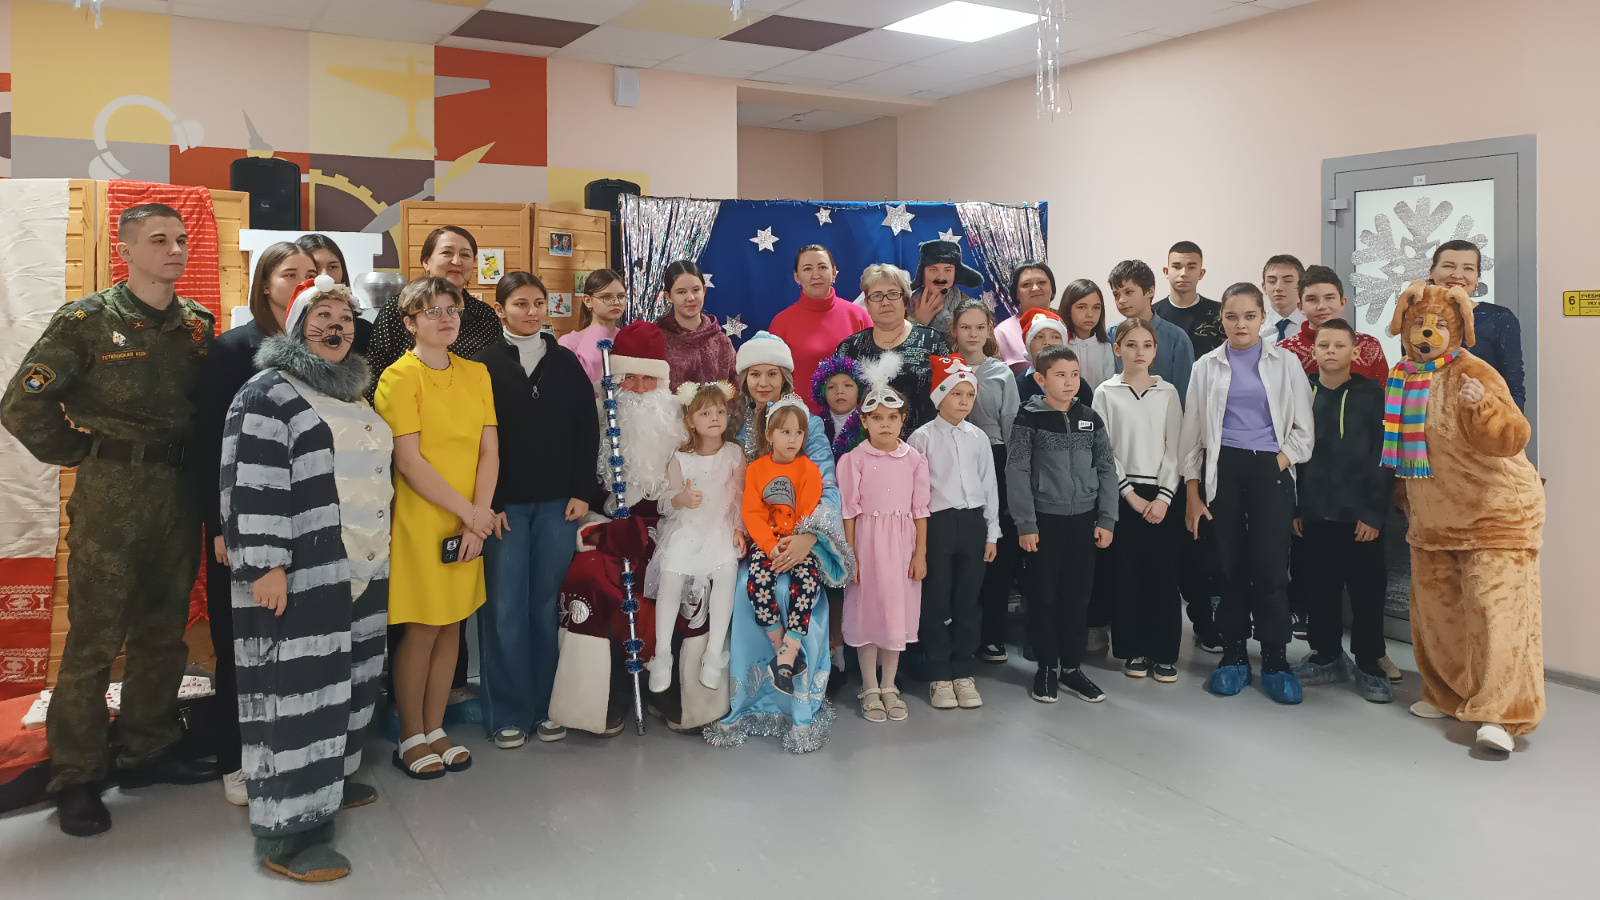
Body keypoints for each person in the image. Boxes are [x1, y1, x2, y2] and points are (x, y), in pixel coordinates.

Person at [1, 203, 218, 836]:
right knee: (94, 640)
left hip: (176, 492)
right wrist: (82, 453)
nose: (175, 250)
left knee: (163, 631)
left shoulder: (197, 326)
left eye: (181, 240)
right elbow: (21, 405)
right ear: (125, 251)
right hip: (109, 498)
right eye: (159, 240)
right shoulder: (87, 322)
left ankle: (149, 749)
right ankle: (77, 773)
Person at [219, 274, 390, 882]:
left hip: (359, 566)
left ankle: (329, 784)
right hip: (300, 571)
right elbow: (251, 481)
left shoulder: (353, 395)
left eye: (344, 318)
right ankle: (288, 832)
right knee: (295, 692)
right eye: (321, 317)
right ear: (295, 327)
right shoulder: (269, 392)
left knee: (348, 681)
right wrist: (266, 565)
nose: (335, 327)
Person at [1382, 281, 1543, 752]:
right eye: (1419, 324)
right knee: (1437, 617)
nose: (1427, 334)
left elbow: (1512, 437)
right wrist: (1403, 498)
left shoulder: (1473, 370)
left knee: (1498, 617)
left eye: (1438, 326)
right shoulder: (1402, 376)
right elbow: (1400, 446)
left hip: (1494, 516)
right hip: (1432, 520)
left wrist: (1482, 407)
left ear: (1456, 329)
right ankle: (1448, 694)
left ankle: (1502, 714)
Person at [547, 321, 726, 736]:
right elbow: (578, 495)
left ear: (663, 384)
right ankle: (603, 695)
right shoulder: (595, 424)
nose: (641, 389)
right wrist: (600, 529)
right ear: (615, 380)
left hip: (672, 532)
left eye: (649, 379)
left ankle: (676, 692)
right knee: (587, 582)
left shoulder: (684, 429)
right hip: (608, 535)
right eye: (630, 378)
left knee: (692, 581)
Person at [192, 240, 314, 807]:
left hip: (303, 520)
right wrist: (220, 526)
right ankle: (234, 758)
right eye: (290, 273)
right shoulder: (233, 349)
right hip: (240, 521)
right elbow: (211, 445)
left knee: (295, 643)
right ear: (266, 283)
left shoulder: (317, 347)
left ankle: (291, 750)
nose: (303, 281)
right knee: (240, 642)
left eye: (312, 272)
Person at [375, 276, 499, 777]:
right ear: (410, 322)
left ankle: (435, 728)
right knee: (423, 627)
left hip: (471, 518)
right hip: (422, 517)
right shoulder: (398, 378)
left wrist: (478, 516)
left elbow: (489, 451)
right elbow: (409, 461)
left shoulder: (477, 373)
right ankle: (410, 734)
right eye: (433, 311)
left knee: (453, 625)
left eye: (452, 309)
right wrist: (470, 514)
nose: (446, 319)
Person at [707, 332, 853, 752]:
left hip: (803, 537)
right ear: (744, 378)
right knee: (743, 586)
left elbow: (825, 489)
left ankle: (798, 700)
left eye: (772, 373)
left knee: (796, 587)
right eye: (755, 374)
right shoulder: (734, 424)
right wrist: (748, 534)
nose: (763, 382)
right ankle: (751, 695)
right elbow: (736, 492)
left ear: (786, 377)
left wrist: (808, 537)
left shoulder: (808, 424)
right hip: (754, 537)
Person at [472, 272, 597, 748]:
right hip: (504, 509)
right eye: (520, 304)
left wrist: (582, 491)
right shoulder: (481, 365)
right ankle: (507, 711)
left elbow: (586, 430)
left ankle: (548, 706)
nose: (531, 312)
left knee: (547, 607)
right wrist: (491, 502)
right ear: (500, 309)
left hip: (557, 506)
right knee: (504, 608)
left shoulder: (565, 362)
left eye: (538, 303)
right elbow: (475, 443)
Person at [1180, 283, 1314, 705]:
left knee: (1271, 567)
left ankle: (1275, 659)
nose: (1241, 324)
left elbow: (1304, 431)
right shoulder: (1205, 366)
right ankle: (1234, 655)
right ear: (1221, 318)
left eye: (1249, 316)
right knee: (1229, 566)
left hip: (1270, 468)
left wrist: (1278, 462)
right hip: (1223, 470)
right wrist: (1193, 493)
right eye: (1232, 316)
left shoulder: (1285, 362)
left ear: (1262, 318)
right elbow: (1191, 437)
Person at [1285, 319, 1394, 704]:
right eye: (1324, 345)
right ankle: (1327, 655)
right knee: (1320, 588)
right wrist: (1294, 508)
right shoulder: (1300, 393)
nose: (1330, 351)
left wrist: (1374, 512)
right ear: (1312, 351)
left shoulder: (1373, 395)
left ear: (1355, 352)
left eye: (1339, 345)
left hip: (1360, 518)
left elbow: (1384, 455)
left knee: (1367, 592)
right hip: (1313, 514)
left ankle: (1369, 663)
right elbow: (1291, 453)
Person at [1008, 346, 1117, 704]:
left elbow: (1107, 468)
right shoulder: (1028, 419)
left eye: (1074, 374)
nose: (1069, 382)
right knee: (1044, 597)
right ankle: (1046, 668)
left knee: (1077, 598)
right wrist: (1026, 523)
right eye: (1060, 375)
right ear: (1041, 379)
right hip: (1044, 522)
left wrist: (1106, 518)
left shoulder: (1090, 418)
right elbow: (1017, 470)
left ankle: (1071, 668)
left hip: (1084, 521)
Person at [1093, 319, 1183, 684]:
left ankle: (1164, 652)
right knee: (1127, 576)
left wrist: (1163, 497)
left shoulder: (1168, 393)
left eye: (1147, 345)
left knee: (1162, 577)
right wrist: (1128, 494)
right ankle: (1134, 650)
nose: (1139, 352)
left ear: (1155, 351)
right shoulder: (1105, 392)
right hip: (1123, 496)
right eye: (1131, 345)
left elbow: (1175, 448)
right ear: (1117, 349)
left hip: (1162, 497)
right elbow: (1104, 450)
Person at [907, 355, 997, 710]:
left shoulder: (979, 438)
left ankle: (963, 671)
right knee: (936, 599)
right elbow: (916, 493)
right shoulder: (921, 438)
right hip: (938, 525)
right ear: (939, 396)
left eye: (969, 395)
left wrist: (992, 533)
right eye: (956, 394)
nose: (963, 401)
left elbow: (989, 485)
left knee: (968, 600)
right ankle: (940, 673)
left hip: (973, 524)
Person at [840, 379, 930, 723]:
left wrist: (920, 553)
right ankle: (869, 685)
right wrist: (850, 555)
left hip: (902, 546)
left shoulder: (915, 460)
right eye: (876, 418)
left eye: (892, 417)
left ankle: (889, 684)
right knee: (869, 610)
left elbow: (920, 511)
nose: (885, 424)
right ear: (864, 421)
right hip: (867, 544)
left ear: (903, 419)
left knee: (896, 612)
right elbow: (849, 512)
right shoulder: (853, 460)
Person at [647, 382, 746, 693]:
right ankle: (662, 654)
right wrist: (682, 499)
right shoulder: (681, 457)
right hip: (687, 528)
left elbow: (742, 497)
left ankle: (714, 655)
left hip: (720, 528)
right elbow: (666, 501)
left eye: (720, 411)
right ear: (690, 421)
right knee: (671, 575)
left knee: (726, 573)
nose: (715, 417)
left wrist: (739, 529)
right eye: (705, 413)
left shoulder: (734, 453)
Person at [950, 300, 1022, 664]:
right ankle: (960, 636)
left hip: (995, 459)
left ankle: (993, 635)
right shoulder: (945, 368)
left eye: (980, 327)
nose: (973, 334)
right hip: (954, 459)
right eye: (966, 327)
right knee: (961, 552)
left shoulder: (1001, 372)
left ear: (989, 330)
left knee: (997, 552)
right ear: (954, 330)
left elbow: (1012, 428)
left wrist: (1011, 483)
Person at [742, 397, 826, 696]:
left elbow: (807, 513)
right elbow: (752, 513)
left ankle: (788, 653)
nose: (793, 439)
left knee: (807, 582)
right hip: (768, 543)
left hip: (796, 542)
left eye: (799, 433)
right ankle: (783, 651)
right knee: (758, 583)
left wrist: (792, 544)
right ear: (769, 435)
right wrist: (769, 545)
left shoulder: (809, 471)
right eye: (785, 432)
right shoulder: (756, 470)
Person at [366, 226, 498, 397]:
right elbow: (373, 372)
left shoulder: (485, 315)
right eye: (447, 252)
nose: (457, 261)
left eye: (465, 255)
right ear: (426, 262)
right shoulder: (400, 308)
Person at [834, 263, 949, 435]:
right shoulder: (850, 348)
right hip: (866, 445)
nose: (885, 302)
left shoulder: (931, 341)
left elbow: (949, 393)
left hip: (925, 442)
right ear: (867, 303)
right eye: (877, 296)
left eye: (893, 294)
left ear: (905, 300)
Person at [768, 245, 871, 414]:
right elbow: (773, 381)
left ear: (834, 272)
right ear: (797, 277)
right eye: (807, 269)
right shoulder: (781, 323)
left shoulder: (859, 316)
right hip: (800, 421)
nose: (816, 275)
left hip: (854, 421)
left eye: (822, 267)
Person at [1428, 239, 1525, 408]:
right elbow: (1412, 373)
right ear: (1432, 272)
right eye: (1448, 266)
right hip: (1427, 417)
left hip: (1483, 417)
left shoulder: (1499, 318)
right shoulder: (1417, 319)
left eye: (1468, 268)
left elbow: (1514, 388)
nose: (1457, 275)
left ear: (1477, 277)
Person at [1278, 266, 1390, 380]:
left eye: (1329, 298)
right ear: (1301, 307)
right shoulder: (1284, 350)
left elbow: (1384, 389)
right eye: (1312, 299)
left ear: (1342, 302)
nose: (1322, 306)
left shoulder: (1369, 346)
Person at [1107, 260, 1194, 406]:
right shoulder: (1110, 335)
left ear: (1150, 291)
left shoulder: (1176, 338)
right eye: (1116, 295)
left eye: (1129, 292)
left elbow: (1184, 395)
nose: (1121, 300)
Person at [655, 259, 736, 391]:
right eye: (681, 292)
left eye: (696, 290)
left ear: (704, 290)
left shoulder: (721, 341)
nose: (691, 298)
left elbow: (736, 385)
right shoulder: (658, 341)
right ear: (668, 296)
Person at [1154, 241, 1225, 360]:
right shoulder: (1152, 315)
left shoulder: (1222, 313)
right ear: (1166, 272)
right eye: (1176, 267)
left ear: (1201, 273)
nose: (1183, 274)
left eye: (1191, 267)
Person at [558, 268, 627, 386]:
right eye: (606, 297)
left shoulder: (627, 339)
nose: (616, 302)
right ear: (588, 300)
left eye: (621, 296)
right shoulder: (569, 343)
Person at [1014, 307, 1094, 408]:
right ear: (1028, 344)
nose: (1047, 342)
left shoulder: (1079, 385)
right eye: (1039, 337)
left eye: (1055, 337)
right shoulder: (1018, 385)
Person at [907, 238, 984, 334]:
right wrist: (917, 322)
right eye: (933, 270)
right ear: (922, 273)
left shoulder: (968, 305)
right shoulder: (904, 304)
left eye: (948, 270)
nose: (941, 277)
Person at [995, 262, 1057, 375]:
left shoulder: (1068, 322)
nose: (1035, 288)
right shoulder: (1002, 333)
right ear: (1017, 293)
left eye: (1042, 282)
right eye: (1026, 284)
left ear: (1051, 288)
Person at [1061, 279, 1114, 389]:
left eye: (1096, 308)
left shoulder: (1106, 348)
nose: (1090, 314)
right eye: (1082, 307)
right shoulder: (1060, 345)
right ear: (1068, 309)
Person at [1260, 254, 1306, 341]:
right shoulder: (1255, 325)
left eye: (1287, 281)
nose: (1278, 287)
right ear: (1264, 287)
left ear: (1301, 286)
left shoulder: (1312, 324)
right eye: (1272, 281)